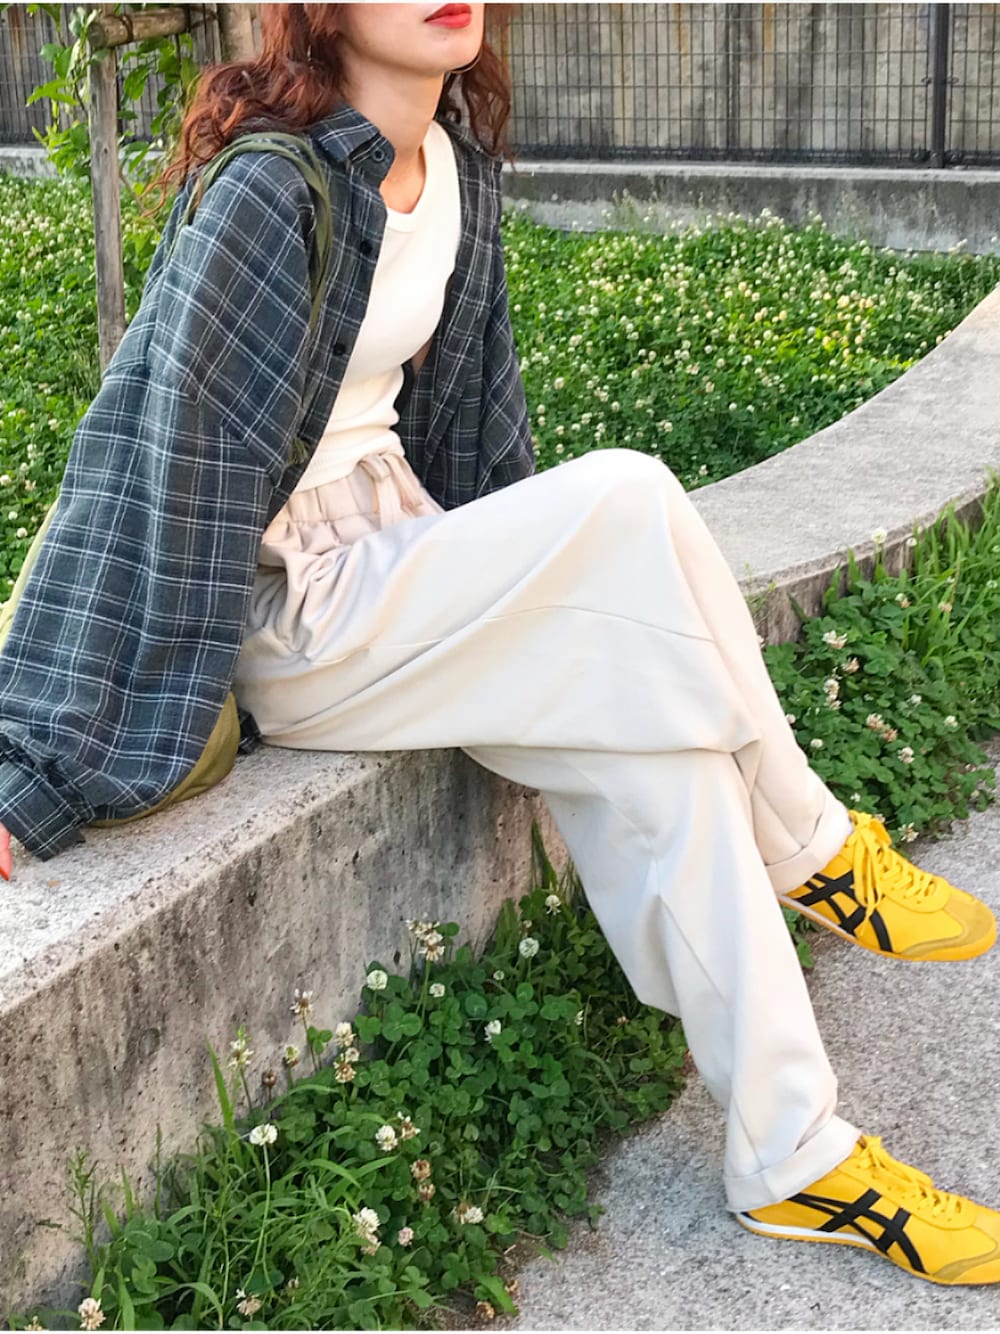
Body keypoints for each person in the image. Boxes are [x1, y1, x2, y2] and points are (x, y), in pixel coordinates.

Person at [1, 1, 998, 1287]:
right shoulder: (268, 190)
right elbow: (153, 467)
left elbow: (482, 436)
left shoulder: (454, 170)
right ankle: (815, 848)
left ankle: (793, 1155)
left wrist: (549, 598)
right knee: (630, 490)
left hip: (414, 562)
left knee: (671, 754)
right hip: (300, 614)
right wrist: (31, 761)